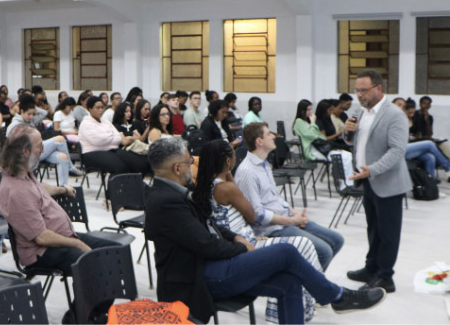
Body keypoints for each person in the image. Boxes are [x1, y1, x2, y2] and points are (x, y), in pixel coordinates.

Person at [143, 137, 386, 324]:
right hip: (199, 276)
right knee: (286, 252)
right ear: (177, 168)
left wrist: (235, 236)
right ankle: (337, 297)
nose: (192, 164)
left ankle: (335, 297)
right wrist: (240, 246)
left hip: (210, 264)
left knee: (289, 281)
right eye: (188, 161)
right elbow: (205, 244)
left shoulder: (175, 194)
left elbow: (208, 226)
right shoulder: (165, 201)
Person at [192, 139, 322, 323]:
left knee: (298, 251)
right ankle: (310, 302)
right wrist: (230, 175)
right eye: (234, 155)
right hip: (245, 244)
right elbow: (251, 215)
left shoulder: (204, 186)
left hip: (232, 242)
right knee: (303, 244)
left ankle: (308, 302)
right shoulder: (227, 187)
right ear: (228, 161)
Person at [0, 125, 119, 274]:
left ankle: (97, 295)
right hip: (43, 251)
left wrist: (63, 189)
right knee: (98, 269)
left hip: (60, 239)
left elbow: (37, 188)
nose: (42, 150)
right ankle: (93, 296)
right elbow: (41, 237)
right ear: (25, 152)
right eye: (40, 146)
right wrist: (77, 244)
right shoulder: (16, 192)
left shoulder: (22, 173)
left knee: (115, 251)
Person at [235, 122, 345, 271]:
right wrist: (291, 220)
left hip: (285, 219)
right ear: (259, 142)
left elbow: (276, 199)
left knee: (337, 240)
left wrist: (295, 213)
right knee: (324, 251)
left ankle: (310, 282)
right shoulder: (248, 171)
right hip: (271, 229)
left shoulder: (264, 164)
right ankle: (309, 286)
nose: (273, 136)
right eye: (269, 134)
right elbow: (257, 215)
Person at [343, 69, 413, 293]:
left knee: (388, 232)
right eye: (357, 90)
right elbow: (355, 142)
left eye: (364, 90)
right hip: (368, 181)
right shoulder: (361, 112)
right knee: (373, 228)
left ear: (378, 88)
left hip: (387, 182)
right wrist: (348, 133)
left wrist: (371, 170)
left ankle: (385, 276)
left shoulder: (394, 115)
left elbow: (397, 151)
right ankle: (371, 267)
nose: (360, 95)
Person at [7, 96, 81, 183]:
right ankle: (71, 168)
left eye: (33, 114)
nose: (31, 117)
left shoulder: (31, 121)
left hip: (39, 150)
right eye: (29, 114)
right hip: (28, 154)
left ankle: (63, 188)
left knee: (63, 157)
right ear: (22, 111)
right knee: (60, 139)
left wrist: (32, 106)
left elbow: (44, 113)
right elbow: (10, 142)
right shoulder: (15, 124)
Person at [393, 99, 450, 179]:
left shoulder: (405, 118)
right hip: (395, 150)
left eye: (403, 106)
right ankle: (449, 168)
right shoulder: (391, 118)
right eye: (399, 104)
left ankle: (430, 187)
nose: (401, 107)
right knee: (429, 144)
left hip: (406, 147)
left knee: (430, 157)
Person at [79, 96, 150, 175]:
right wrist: (111, 136)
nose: (101, 110)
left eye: (102, 107)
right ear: (90, 109)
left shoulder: (106, 122)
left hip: (111, 150)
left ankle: (135, 185)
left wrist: (106, 136)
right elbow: (97, 141)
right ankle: (117, 186)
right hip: (92, 153)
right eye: (97, 108)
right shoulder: (86, 123)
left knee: (139, 163)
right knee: (120, 167)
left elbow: (118, 137)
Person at [293, 99, 354, 187]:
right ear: (302, 110)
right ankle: (346, 184)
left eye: (311, 109)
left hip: (320, 147)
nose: (311, 112)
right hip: (313, 151)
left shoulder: (307, 121)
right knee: (344, 157)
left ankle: (349, 183)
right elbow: (311, 135)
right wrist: (313, 123)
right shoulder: (299, 122)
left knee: (348, 155)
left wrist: (313, 127)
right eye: (308, 110)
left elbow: (320, 137)